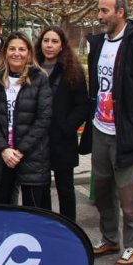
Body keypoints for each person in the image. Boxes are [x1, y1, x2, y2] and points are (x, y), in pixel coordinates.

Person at [80, 0, 133, 265]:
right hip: (99, 130)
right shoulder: (98, 43)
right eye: (99, 10)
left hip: (126, 135)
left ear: (121, 12)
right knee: (103, 192)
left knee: (129, 196)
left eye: (105, 11)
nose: (99, 16)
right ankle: (110, 239)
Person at [0, 31, 52, 209]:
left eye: (22, 49)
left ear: (29, 53)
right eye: (12, 49)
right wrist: (4, 149)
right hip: (2, 156)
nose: (16, 53)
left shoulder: (40, 79)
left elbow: (43, 119)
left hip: (31, 155)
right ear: (5, 52)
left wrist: (20, 151)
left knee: (33, 211)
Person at [36, 26, 90, 222]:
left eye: (54, 41)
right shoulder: (32, 68)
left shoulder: (72, 70)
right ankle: (46, 225)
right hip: (38, 140)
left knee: (65, 188)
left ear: (62, 46)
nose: (49, 45)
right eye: (46, 41)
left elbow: (82, 105)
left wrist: (66, 128)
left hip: (63, 140)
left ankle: (68, 226)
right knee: (41, 188)